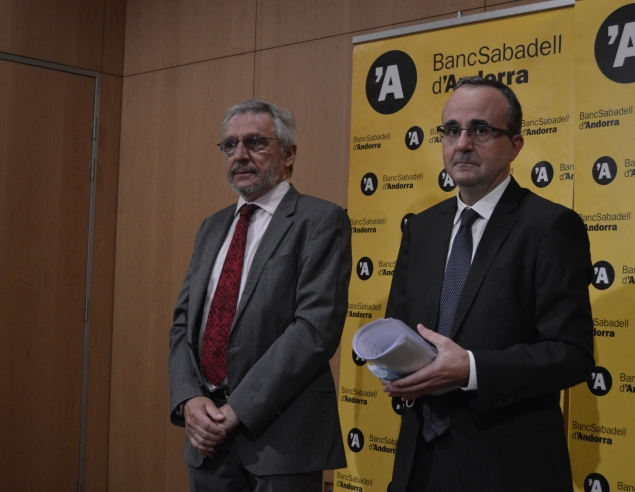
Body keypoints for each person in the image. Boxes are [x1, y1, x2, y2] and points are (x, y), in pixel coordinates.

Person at [382, 77, 594, 491]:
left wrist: (471, 370)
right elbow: (402, 328)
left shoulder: (549, 226)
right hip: (418, 465)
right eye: (451, 130)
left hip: (508, 468)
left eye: (480, 130)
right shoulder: (421, 230)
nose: (462, 143)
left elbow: (572, 354)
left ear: (515, 145)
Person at [168, 99, 351, 491]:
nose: (240, 155)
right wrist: (189, 401)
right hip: (208, 442)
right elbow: (183, 323)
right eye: (230, 145)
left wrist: (238, 409)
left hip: (283, 440)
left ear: (288, 155)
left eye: (255, 142)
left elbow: (315, 329)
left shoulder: (320, 220)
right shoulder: (211, 227)